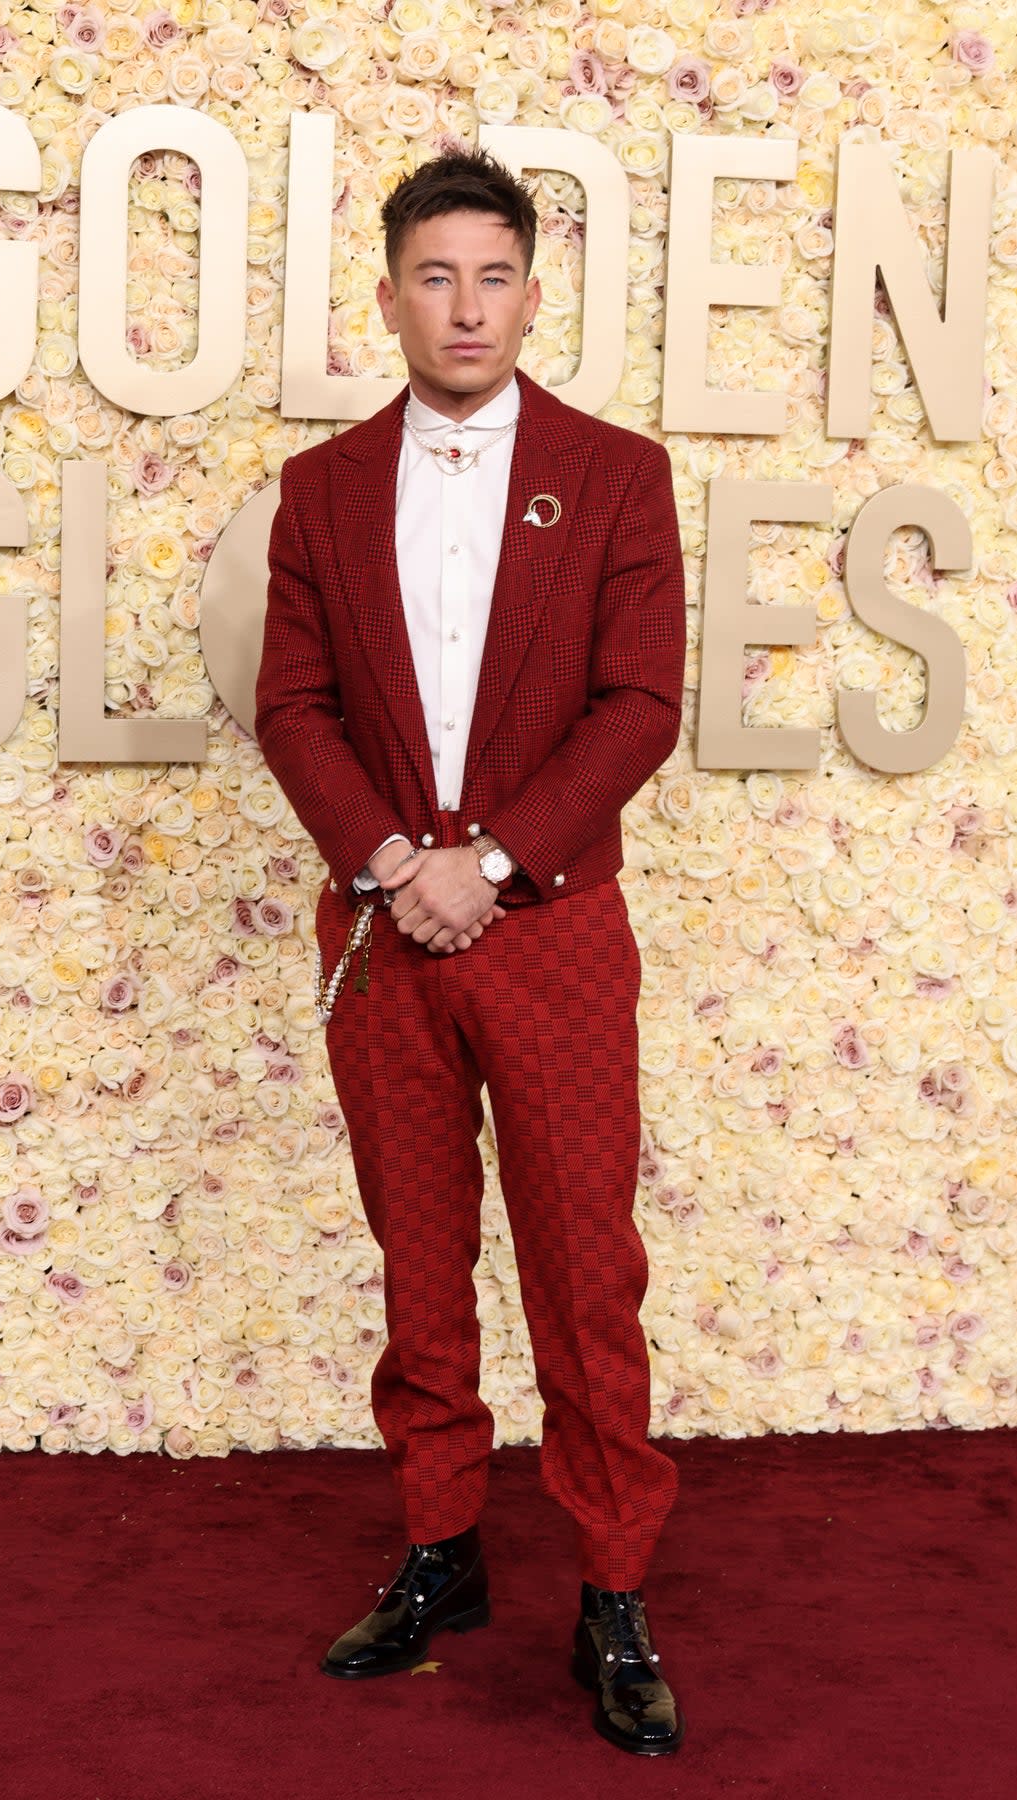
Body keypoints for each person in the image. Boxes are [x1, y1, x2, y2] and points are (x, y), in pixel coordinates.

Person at [254, 145, 687, 1756]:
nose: (465, 305)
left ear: (529, 289)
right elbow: (290, 702)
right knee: (418, 1258)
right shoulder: (321, 491)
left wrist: (488, 864)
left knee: (587, 1271)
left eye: (493, 275)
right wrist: (388, 863)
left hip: (554, 929)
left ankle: (615, 1595)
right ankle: (441, 1550)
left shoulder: (619, 474)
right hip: (383, 933)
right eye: (434, 276)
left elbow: (640, 701)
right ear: (389, 296)